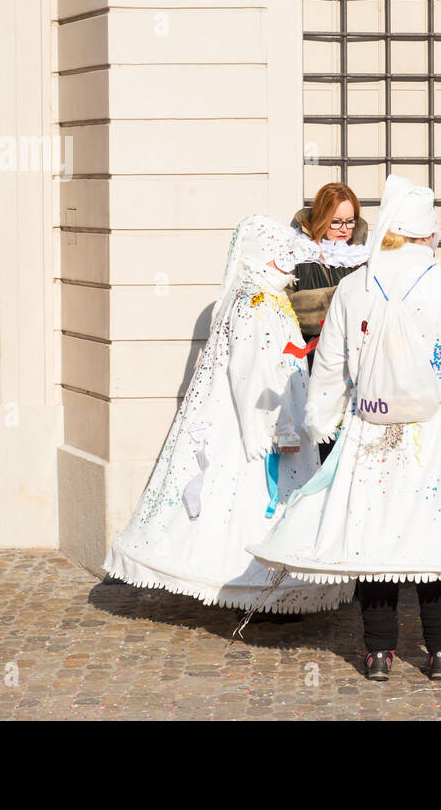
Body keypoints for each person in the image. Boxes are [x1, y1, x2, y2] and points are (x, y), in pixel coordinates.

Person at [248, 174, 441, 682]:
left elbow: (328, 365)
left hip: (370, 427)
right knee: (433, 538)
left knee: (373, 537)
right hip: (436, 432)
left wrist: (322, 420)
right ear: (427, 232)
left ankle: (377, 652)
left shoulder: (355, 285)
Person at [104, 216, 354, 617]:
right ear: (260, 255)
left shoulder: (266, 297)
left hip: (278, 411)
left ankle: (270, 589)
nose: (288, 262)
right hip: (256, 424)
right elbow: (251, 372)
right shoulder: (253, 302)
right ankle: (251, 587)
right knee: (246, 498)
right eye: (280, 254)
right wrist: (278, 428)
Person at [288, 181, 370, 341]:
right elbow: (283, 306)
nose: (344, 228)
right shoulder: (296, 251)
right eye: (336, 221)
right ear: (321, 218)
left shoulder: (364, 254)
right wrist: (336, 298)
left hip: (356, 347)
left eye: (350, 221)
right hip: (308, 351)